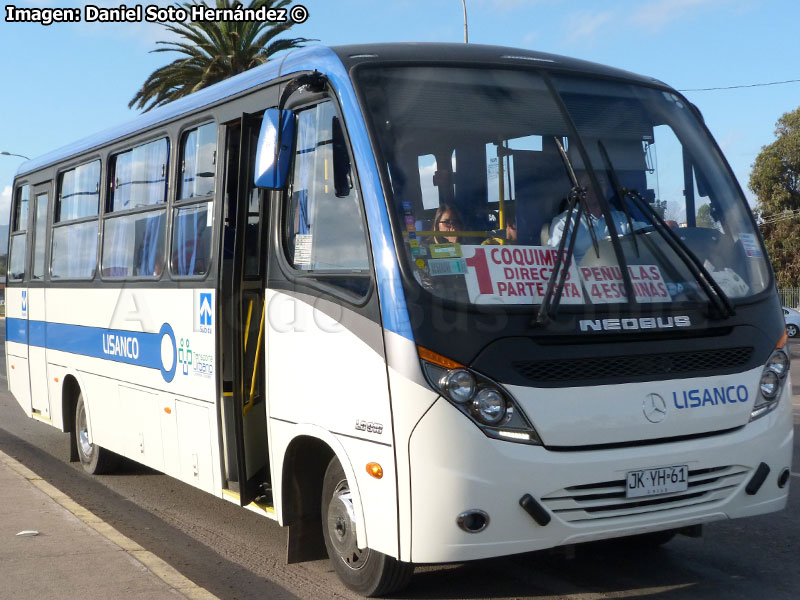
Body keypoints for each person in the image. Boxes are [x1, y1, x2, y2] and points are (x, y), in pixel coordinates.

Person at [548, 172, 645, 259]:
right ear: (578, 192)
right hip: (582, 277)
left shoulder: (621, 219)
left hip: (624, 276)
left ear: (607, 188)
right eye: (587, 185)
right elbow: (558, 262)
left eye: (600, 183)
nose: (595, 188)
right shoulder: (564, 222)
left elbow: (647, 234)